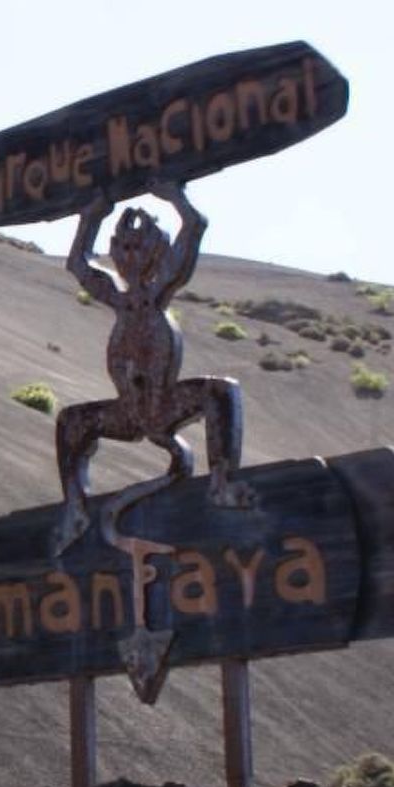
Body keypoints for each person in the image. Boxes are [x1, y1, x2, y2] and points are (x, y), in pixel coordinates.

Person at [54, 182, 251, 554]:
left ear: (155, 250)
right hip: (128, 409)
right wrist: (91, 218)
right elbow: (77, 264)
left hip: (163, 402)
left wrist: (175, 197)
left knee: (221, 392)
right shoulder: (117, 296)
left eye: (139, 247)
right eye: (124, 248)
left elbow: (194, 225)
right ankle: (76, 507)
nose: (130, 256)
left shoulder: (159, 289)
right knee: (71, 422)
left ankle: (223, 483)